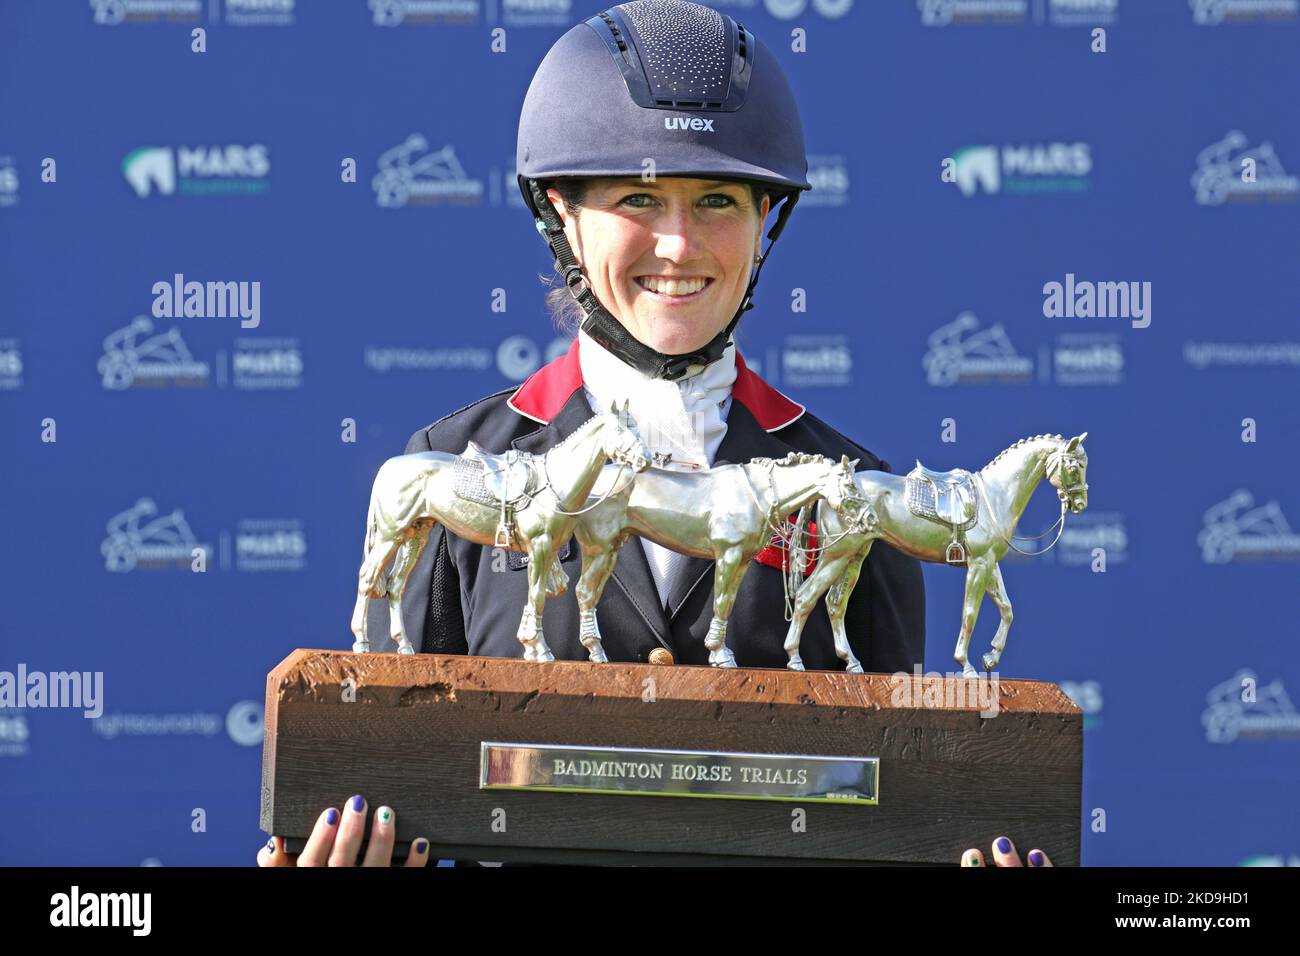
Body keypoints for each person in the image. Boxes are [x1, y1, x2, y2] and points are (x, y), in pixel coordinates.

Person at [259, 0, 1049, 868]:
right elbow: (392, 754)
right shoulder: (448, 469)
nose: (678, 244)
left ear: (765, 222)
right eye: (639, 197)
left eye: (717, 200)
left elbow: (893, 803)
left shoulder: (856, 491)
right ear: (562, 211)